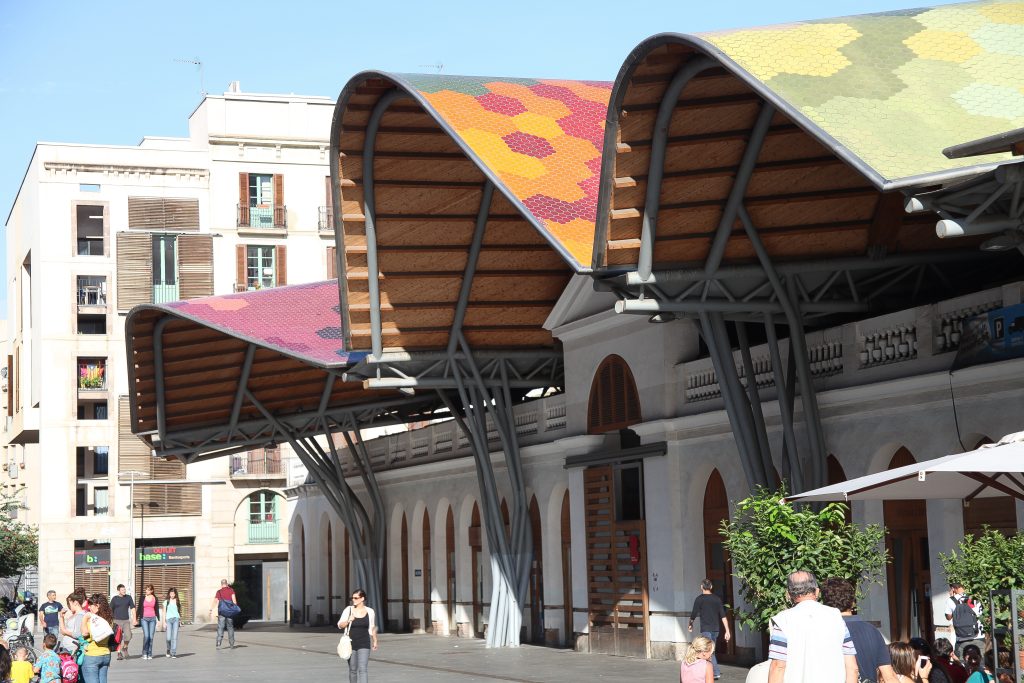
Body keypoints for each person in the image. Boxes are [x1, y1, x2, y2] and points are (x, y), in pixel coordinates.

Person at [767, 570, 859, 683]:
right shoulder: (836, 617)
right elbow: (852, 668)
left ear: (788, 594)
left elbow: (778, 667)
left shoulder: (783, 620)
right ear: (817, 592)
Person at [820, 577, 897, 683]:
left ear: (825, 604)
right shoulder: (872, 631)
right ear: (853, 603)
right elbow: (889, 677)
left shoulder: (823, 631)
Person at [688, 579, 731, 681]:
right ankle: (712, 672)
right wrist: (727, 631)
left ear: (701, 587)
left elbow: (693, 613)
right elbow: (723, 616)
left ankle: (714, 672)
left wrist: (690, 624)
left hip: (706, 629)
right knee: (711, 651)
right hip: (716, 630)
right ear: (711, 587)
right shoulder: (717, 599)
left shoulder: (699, 599)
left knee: (707, 651)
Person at [337, 588, 378, 683]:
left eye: (356, 598)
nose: (353, 600)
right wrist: (348, 620)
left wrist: (375, 640)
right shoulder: (348, 610)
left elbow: (372, 627)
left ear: (362, 599)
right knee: (353, 669)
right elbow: (339, 625)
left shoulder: (370, 611)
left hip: (364, 642)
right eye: (352, 598)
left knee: (363, 669)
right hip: (351, 643)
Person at [80, 593, 114, 683]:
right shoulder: (109, 619)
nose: (89, 608)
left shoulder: (93, 621)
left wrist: (84, 618)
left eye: (91, 605)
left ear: (97, 606)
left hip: (92, 655)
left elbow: (84, 633)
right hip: (106, 654)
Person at [944, 584, 983, 659]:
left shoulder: (951, 600)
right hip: (979, 636)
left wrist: (951, 597)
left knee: (962, 665)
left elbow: (948, 617)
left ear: (953, 588)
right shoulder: (977, 596)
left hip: (961, 638)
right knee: (979, 663)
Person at [109, 584, 135, 660]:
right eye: (122, 590)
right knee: (118, 638)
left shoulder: (128, 597)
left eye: (124, 590)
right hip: (116, 621)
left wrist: (134, 619)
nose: (124, 591)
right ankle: (119, 653)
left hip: (126, 620)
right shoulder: (114, 599)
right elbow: (110, 610)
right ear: (118, 591)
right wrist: (110, 620)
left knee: (129, 635)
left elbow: (133, 608)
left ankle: (125, 647)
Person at [210, 579, 237, 649]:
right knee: (230, 627)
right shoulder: (231, 590)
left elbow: (215, 601)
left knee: (220, 627)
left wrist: (211, 609)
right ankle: (231, 643)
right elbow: (234, 601)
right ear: (227, 584)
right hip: (229, 613)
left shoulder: (219, 592)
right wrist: (234, 609)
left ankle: (218, 642)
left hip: (221, 612)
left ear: (221, 584)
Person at [138, 584, 160, 660]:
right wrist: (135, 619)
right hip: (144, 618)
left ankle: (149, 653)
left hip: (153, 619)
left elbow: (156, 609)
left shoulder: (155, 598)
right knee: (146, 636)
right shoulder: (142, 598)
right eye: (146, 589)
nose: (146, 591)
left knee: (151, 637)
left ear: (151, 591)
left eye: (148, 590)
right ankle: (144, 653)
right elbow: (139, 608)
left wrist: (159, 619)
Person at [160, 588, 181, 658]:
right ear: (169, 594)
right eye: (171, 593)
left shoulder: (177, 601)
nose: (172, 595)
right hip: (168, 620)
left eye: (173, 594)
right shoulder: (166, 601)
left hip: (176, 619)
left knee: (174, 637)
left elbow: (179, 611)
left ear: (175, 594)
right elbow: (164, 612)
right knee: (168, 638)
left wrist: (179, 620)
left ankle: (173, 652)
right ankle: (168, 649)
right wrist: (163, 622)